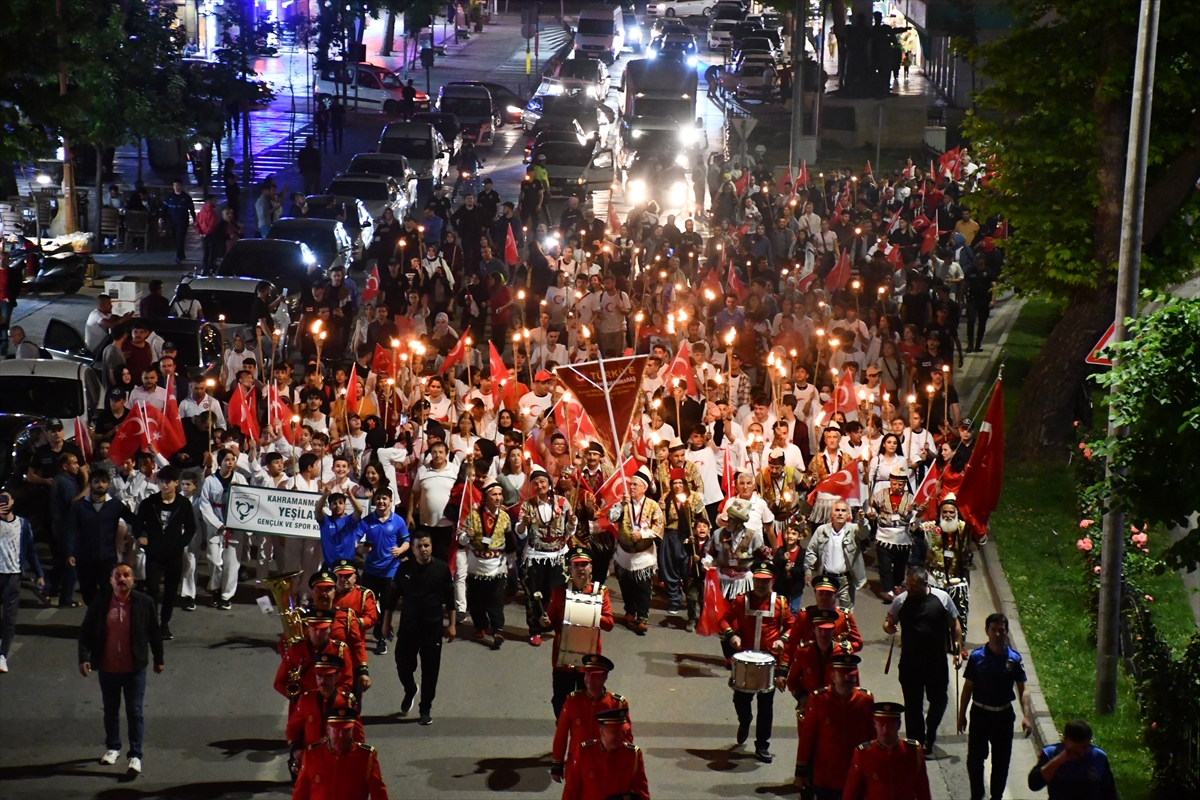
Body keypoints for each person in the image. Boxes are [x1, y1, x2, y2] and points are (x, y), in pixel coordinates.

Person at [77, 563, 164, 775]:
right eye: (118, 576)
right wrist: (84, 658)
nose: (122, 580)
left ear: (133, 580)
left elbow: (154, 632)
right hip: (108, 668)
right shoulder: (100, 603)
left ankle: (135, 755)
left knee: (135, 711)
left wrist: (158, 658)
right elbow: (86, 632)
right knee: (110, 710)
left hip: (134, 668)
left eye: (126, 576)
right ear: (111, 580)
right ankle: (113, 747)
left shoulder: (145, 603)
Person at [883, 565, 964, 755]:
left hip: (936, 663)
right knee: (912, 706)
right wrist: (889, 627)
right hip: (910, 663)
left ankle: (931, 730)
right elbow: (888, 622)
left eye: (914, 585)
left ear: (924, 583)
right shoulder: (900, 600)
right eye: (908, 584)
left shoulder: (942, 599)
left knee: (939, 701)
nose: (910, 588)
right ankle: (916, 744)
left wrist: (958, 650)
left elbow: (955, 623)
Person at [718, 558, 793, 763]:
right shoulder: (741, 600)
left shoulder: (781, 604)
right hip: (744, 661)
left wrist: (782, 639)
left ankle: (762, 745)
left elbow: (792, 627)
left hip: (769, 663)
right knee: (740, 701)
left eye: (765, 581)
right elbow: (723, 620)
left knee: (766, 707)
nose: (761, 584)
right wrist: (731, 635)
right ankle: (745, 720)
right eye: (758, 580)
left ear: (773, 581)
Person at [959, 612, 1035, 800]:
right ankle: (977, 795)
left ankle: (996, 796)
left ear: (1007, 631)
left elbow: (1023, 688)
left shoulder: (1013, 660)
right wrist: (962, 715)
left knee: (1001, 762)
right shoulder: (977, 658)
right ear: (987, 631)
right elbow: (968, 688)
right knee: (975, 761)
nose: (998, 634)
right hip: (980, 714)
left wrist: (1027, 716)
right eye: (994, 630)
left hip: (1003, 716)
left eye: (1001, 630)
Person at [542, 547, 615, 718]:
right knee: (561, 701)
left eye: (584, 564)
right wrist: (545, 623)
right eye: (576, 565)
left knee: (588, 702)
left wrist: (588, 612)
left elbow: (609, 624)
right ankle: (563, 730)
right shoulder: (559, 592)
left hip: (588, 662)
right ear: (570, 568)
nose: (580, 569)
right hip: (563, 660)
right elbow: (551, 621)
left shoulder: (600, 592)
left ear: (591, 567)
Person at [392, 527, 455, 726]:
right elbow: (392, 598)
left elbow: (450, 599)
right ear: (413, 549)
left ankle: (425, 708)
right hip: (408, 628)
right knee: (403, 664)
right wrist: (385, 623)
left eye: (426, 545)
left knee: (430, 671)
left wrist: (452, 625)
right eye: (419, 546)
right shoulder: (403, 569)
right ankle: (410, 688)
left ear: (431, 547)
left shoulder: (442, 569)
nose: (423, 550)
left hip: (432, 629)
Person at [794, 654, 875, 799]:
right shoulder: (819, 699)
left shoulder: (865, 700)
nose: (847, 679)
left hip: (856, 775)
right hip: (827, 776)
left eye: (851, 675)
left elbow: (872, 737)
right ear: (833, 675)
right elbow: (807, 738)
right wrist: (802, 770)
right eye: (842, 675)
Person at [517, 467, 577, 646]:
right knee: (535, 594)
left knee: (558, 593)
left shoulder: (563, 502)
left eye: (542, 481)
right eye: (535, 483)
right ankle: (535, 630)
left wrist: (573, 524)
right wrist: (523, 524)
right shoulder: (527, 506)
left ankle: (559, 627)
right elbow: (520, 533)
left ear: (549, 483)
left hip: (558, 554)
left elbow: (569, 530)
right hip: (535, 555)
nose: (539, 485)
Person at [135, 466, 196, 641]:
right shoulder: (150, 503)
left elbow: (191, 527)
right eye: (161, 481)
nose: (164, 485)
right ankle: (152, 625)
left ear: (176, 483)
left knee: (170, 592)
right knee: (152, 590)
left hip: (173, 555)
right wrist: (142, 537)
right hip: (153, 554)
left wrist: (181, 544)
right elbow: (139, 524)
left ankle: (165, 624)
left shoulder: (183, 504)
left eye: (168, 482)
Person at [551, 653, 632, 783]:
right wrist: (557, 763)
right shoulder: (573, 701)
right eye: (587, 674)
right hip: (577, 766)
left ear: (605, 677)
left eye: (594, 675)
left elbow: (625, 737)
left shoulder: (616, 704)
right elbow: (561, 734)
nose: (588, 679)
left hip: (604, 767)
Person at [66, 469, 136, 607]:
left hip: (107, 557)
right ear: (90, 485)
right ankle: (94, 618)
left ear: (108, 485)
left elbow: (134, 521)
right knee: (87, 592)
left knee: (108, 591)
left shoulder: (115, 505)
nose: (100, 485)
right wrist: (70, 552)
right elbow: (70, 530)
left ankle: (104, 622)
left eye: (104, 482)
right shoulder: (79, 506)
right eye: (96, 482)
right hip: (84, 557)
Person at [286, 652, 362, 777]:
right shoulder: (306, 699)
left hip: (337, 760)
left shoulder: (346, 701)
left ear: (337, 676)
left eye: (328, 676)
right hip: (310, 759)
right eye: (319, 676)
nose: (322, 681)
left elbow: (357, 735)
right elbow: (292, 728)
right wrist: (295, 748)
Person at [608, 467, 664, 635]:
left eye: (635, 485)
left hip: (643, 555)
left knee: (643, 587)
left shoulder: (653, 506)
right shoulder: (623, 503)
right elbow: (611, 517)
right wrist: (621, 506)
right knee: (626, 586)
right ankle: (630, 610)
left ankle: (642, 617)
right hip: (624, 554)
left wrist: (643, 533)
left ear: (644, 487)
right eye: (630, 484)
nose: (631, 488)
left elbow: (659, 527)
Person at [457, 479, 511, 649]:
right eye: (494, 494)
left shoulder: (505, 517)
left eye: (500, 494)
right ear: (486, 497)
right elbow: (461, 541)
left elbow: (510, 541)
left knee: (496, 599)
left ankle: (497, 629)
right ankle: (480, 625)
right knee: (476, 599)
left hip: (497, 565)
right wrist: (468, 534)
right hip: (477, 564)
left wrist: (511, 561)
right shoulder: (473, 516)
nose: (498, 498)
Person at [353, 490, 408, 652]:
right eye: (378, 498)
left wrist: (400, 550)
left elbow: (407, 541)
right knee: (367, 607)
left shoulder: (398, 521)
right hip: (370, 571)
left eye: (384, 498)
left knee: (386, 607)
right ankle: (360, 638)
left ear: (390, 501)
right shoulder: (367, 521)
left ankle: (381, 638)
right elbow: (355, 540)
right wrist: (362, 550)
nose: (381, 501)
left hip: (390, 572)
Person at [292, 707, 389, 799]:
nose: (341, 735)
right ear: (328, 730)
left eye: (346, 731)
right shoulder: (312, 754)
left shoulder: (366, 756)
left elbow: (378, 793)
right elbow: (300, 791)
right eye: (336, 730)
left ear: (352, 731)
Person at [843, 702, 932, 800]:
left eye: (890, 726)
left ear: (898, 725)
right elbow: (851, 792)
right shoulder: (863, 753)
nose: (885, 731)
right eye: (881, 725)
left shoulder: (913, 751)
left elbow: (923, 789)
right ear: (875, 725)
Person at [561, 707, 649, 800]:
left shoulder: (632, 755)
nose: (621, 737)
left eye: (623, 732)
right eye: (615, 732)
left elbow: (641, 793)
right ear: (601, 731)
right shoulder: (584, 752)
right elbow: (571, 790)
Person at [0, 490, 44, 673]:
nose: (3, 503)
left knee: (9, 618)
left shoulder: (23, 524)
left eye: (5, 499)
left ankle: (2, 655)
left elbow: (31, 551)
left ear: (12, 501)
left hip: (13, 575)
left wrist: (39, 573)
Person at [198, 449, 247, 610]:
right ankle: (215, 588)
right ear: (220, 462)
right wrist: (217, 523)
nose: (230, 462)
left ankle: (226, 595)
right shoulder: (210, 481)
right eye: (227, 460)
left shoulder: (240, 479)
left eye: (233, 459)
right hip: (216, 524)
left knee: (232, 563)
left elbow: (249, 500)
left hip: (235, 526)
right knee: (214, 560)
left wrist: (239, 521)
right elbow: (205, 504)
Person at [1027, 719, 1117, 800]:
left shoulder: (1098, 757)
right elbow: (1034, 784)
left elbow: (1109, 793)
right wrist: (1059, 760)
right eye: (1075, 749)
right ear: (1065, 740)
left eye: (1084, 748)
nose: (1080, 753)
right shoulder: (1050, 753)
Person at [804, 500, 866, 610]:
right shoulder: (821, 530)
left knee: (845, 614)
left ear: (848, 514)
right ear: (831, 513)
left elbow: (864, 533)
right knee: (825, 610)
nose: (840, 513)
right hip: (826, 578)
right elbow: (811, 551)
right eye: (837, 510)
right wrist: (808, 569)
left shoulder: (854, 529)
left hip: (846, 580)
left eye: (843, 510)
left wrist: (862, 522)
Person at [161, 180, 196, 264]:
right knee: (175, 238)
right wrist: (161, 217)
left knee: (180, 238)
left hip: (183, 221)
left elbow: (191, 210)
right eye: (174, 185)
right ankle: (181, 253)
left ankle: (178, 256)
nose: (176, 187)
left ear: (181, 186)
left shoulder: (186, 197)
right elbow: (164, 209)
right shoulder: (169, 197)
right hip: (172, 221)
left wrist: (195, 220)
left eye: (178, 185)